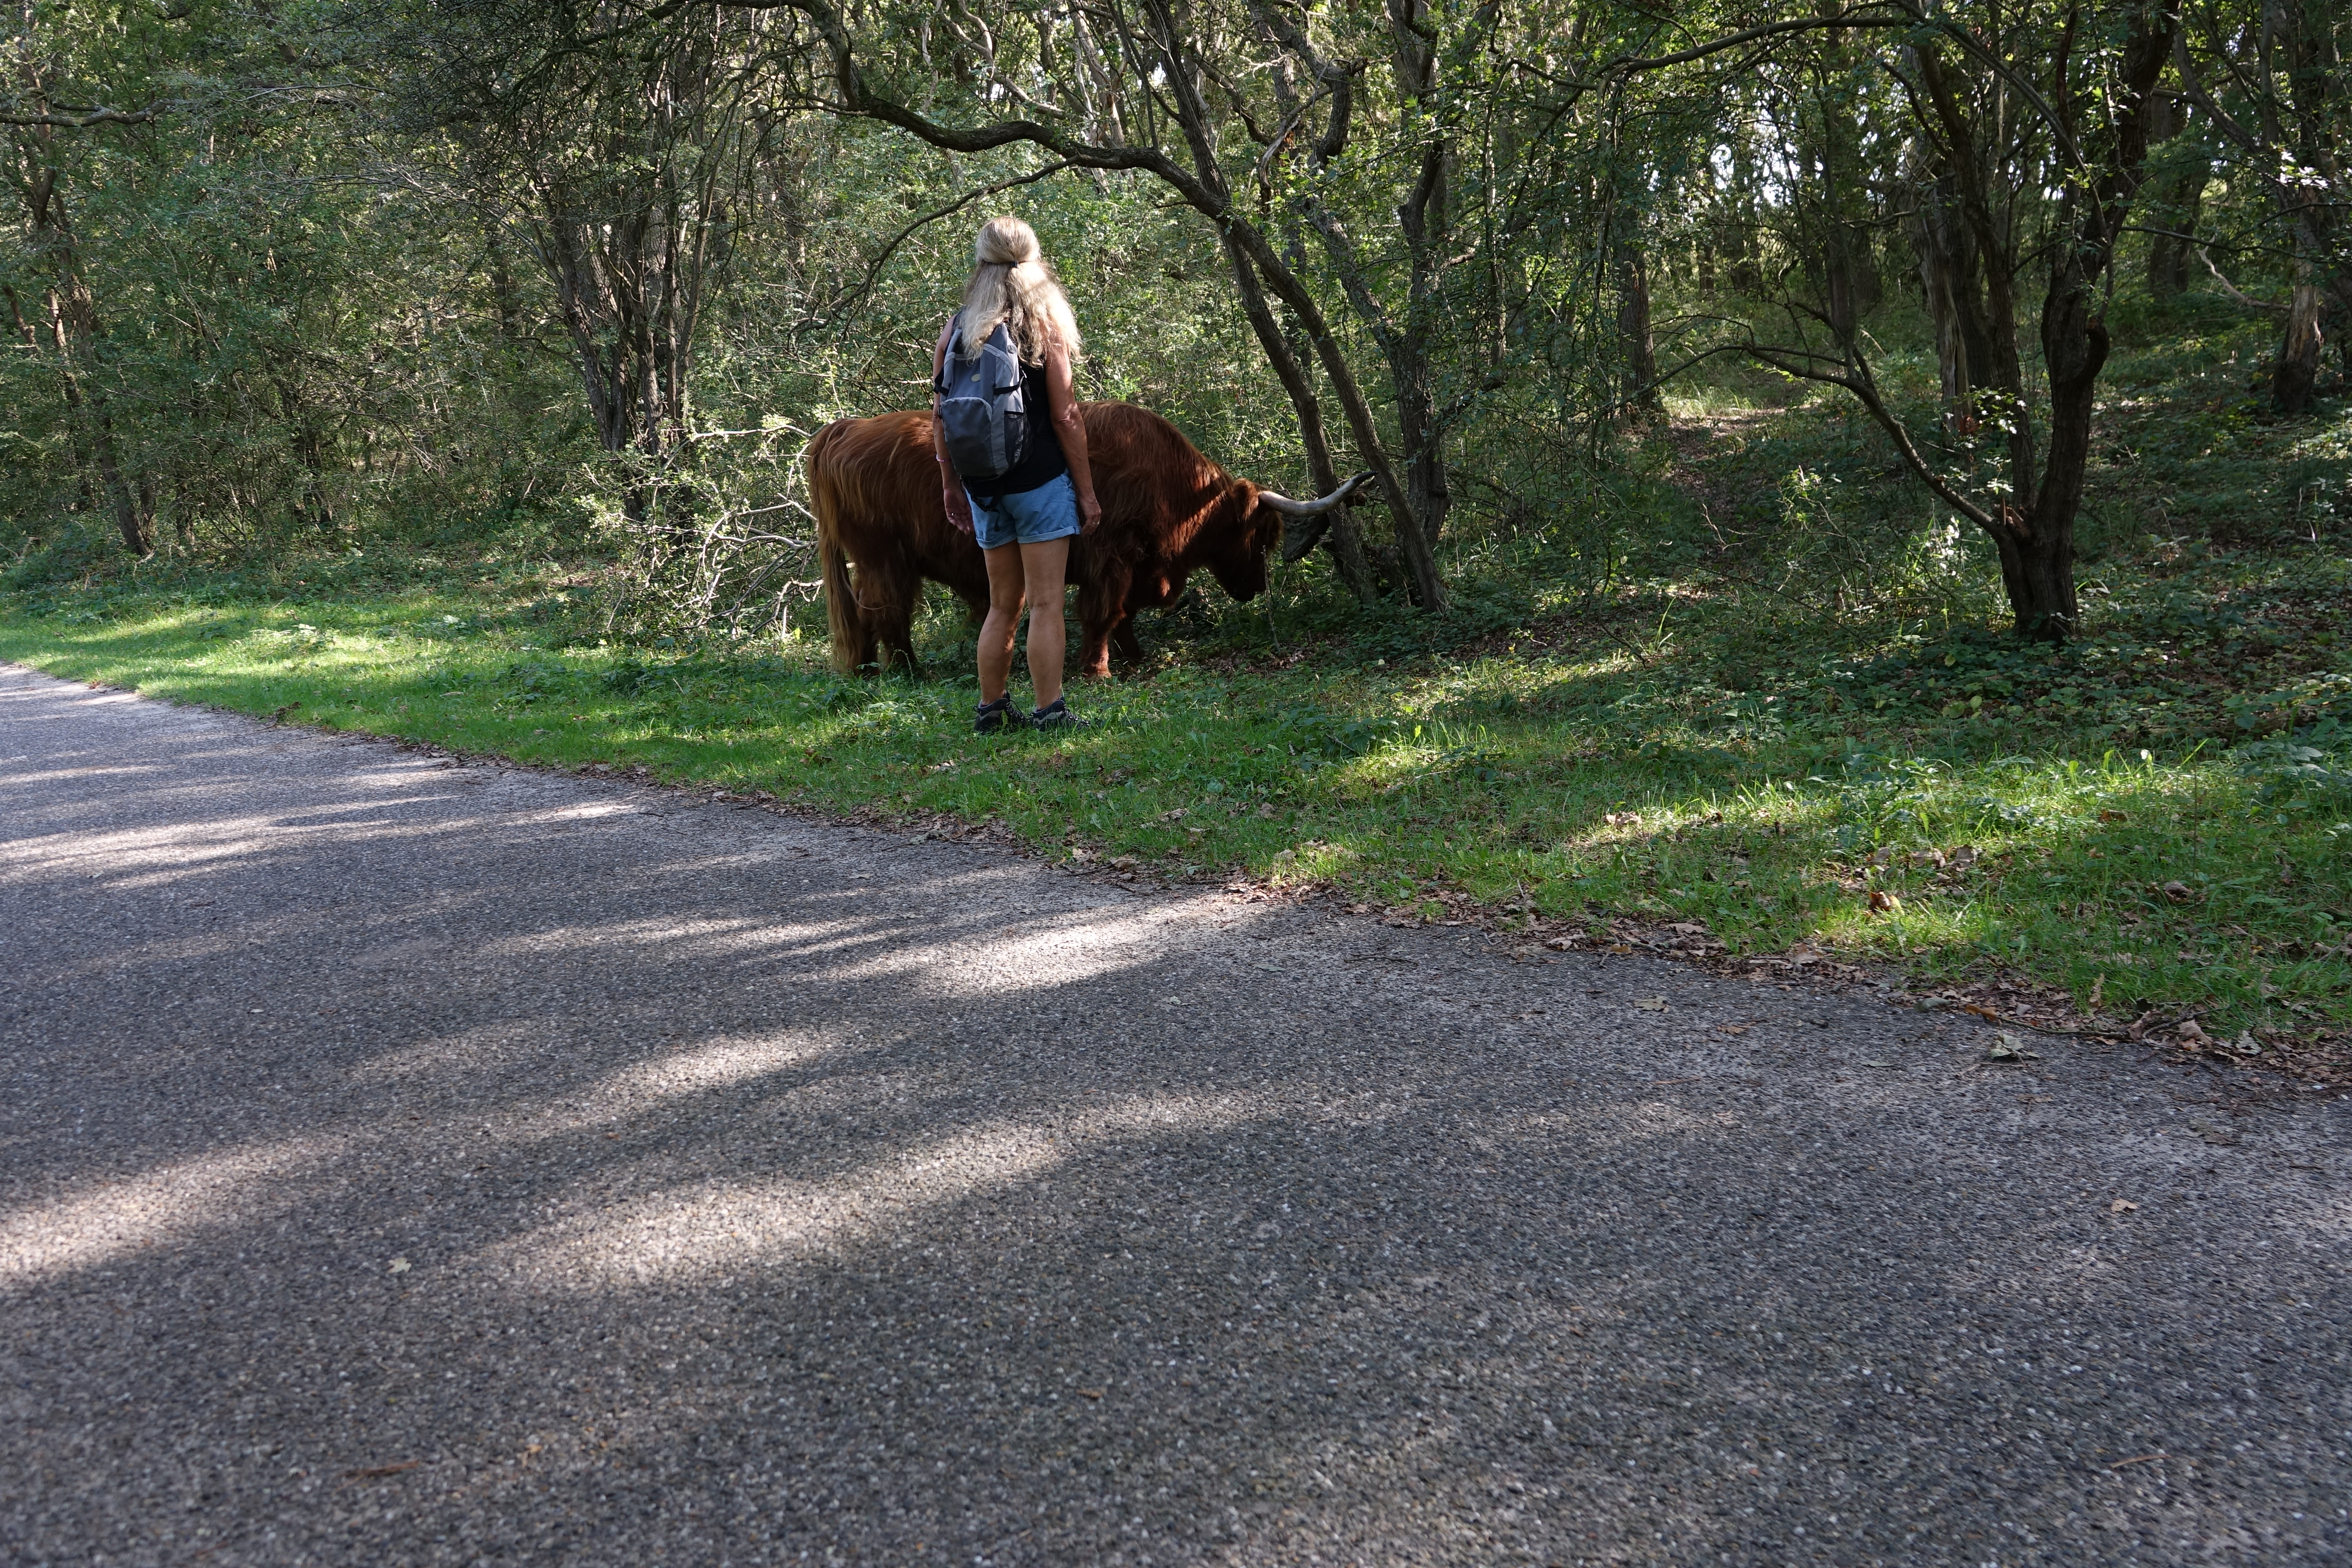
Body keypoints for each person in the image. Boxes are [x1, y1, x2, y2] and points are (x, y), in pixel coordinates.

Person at [933, 216, 1101, 733]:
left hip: (985, 487)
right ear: (1035, 265)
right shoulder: (1043, 326)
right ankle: (1050, 712)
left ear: (981, 265)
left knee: (1002, 606)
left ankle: (991, 711)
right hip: (1040, 484)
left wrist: (950, 484)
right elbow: (1067, 416)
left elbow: (939, 413)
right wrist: (1088, 494)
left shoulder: (959, 326)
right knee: (1047, 603)